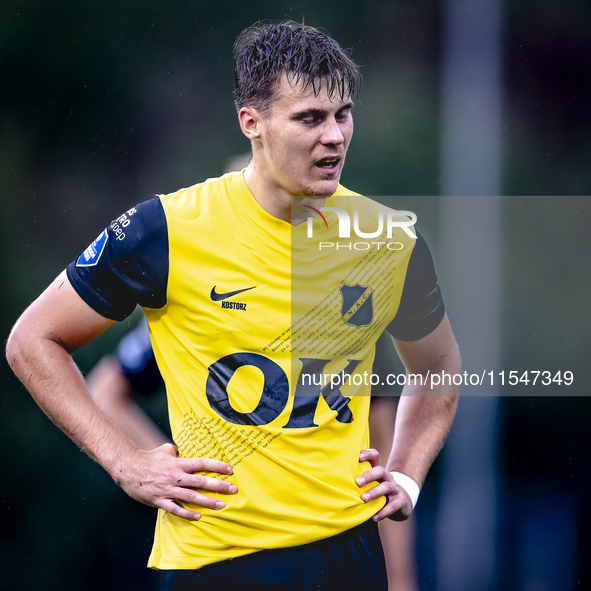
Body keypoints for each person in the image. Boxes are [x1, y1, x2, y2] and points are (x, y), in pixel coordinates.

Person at [7, 21, 460, 590]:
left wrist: (407, 475)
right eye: (310, 118)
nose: (336, 136)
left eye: (342, 113)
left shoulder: (388, 240)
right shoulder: (163, 230)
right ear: (253, 123)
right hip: (215, 565)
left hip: (348, 558)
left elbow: (439, 368)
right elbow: (32, 341)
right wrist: (126, 462)